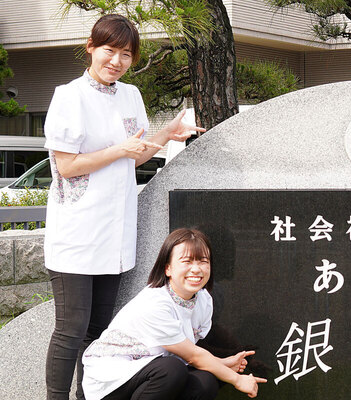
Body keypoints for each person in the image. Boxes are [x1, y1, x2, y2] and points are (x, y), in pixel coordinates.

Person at [43, 14, 207, 400]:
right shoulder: (69, 96)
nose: (116, 61)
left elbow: (133, 157)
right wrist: (119, 149)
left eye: (126, 54)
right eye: (109, 50)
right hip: (77, 234)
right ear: (91, 47)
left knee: (99, 330)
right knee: (71, 329)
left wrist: (165, 135)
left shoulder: (131, 95)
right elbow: (67, 166)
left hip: (115, 234)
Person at [81, 228, 267, 400]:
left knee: (205, 382)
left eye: (203, 261)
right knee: (171, 370)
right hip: (113, 378)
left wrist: (224, 363)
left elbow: (191, 351)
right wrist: (237, 380)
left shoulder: (203, 300)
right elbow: (193, 356)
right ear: (167, 268)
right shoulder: (155, 303)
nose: (196, 269)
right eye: (187, 261)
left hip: (153, 371)